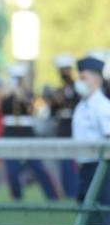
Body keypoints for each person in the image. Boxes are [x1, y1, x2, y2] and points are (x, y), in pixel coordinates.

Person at [0, 64, 59, 201]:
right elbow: (2, 110)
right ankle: (16, 197)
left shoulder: (29, 93)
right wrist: (8, 94)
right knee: (12, 167)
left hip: (26, 131)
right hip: (10, 131)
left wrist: (22, 96)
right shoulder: (6, 94)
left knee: (37, 165)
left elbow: (33, 109)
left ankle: (53, 196)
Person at [71, 56, 110, 225]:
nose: (79, 82)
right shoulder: (82, 105)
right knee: (87, 218)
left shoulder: (102, 106)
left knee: (101, 217)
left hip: (100, 168)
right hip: (85, 168)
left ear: (96, 79)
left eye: (83, 77)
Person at [49, 54, 80, 198]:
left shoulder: (77, 88)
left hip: (73, 125)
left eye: (65, 69)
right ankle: (68, 191)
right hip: (62, 126)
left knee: (73, 161)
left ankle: (74, 190)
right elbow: (53, 112)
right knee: (64, 160)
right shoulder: (59, 89)